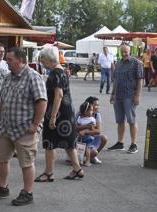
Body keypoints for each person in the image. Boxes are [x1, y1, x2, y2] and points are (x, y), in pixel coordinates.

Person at [0, 48, 47, 206]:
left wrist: (35, 124)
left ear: (21, 60)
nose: (7, 62)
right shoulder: (8, 77)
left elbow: (42, 101)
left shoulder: (33, 77)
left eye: (10, 59)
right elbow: (3, 99)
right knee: (0, 158)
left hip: (24, 128)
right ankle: (3, 187)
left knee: (26, 162)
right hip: (5, 127)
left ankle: (27, 193)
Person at [34, 46, 84, 183]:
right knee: (68, 142)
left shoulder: (54, 73)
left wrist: (53, 116)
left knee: (50, 142)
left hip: (57, 112)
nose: (42, 62)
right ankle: (77, 169)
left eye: (42, 59)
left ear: (48, 59)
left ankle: (49, 173)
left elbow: (58, 95)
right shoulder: (62, 71)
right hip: (67, 111)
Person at [108, 44, 143, 154]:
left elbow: (140, 80)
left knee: (131, 120)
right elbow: (116, 80)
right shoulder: (118, 63)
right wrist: (112, 94)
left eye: (126, 51)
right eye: (122, 51)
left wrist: (137, 95)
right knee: (120, 120)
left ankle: (134, 144)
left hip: (130, 95)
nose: (124, 53)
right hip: (118, 95)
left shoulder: (136, 63)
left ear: (130, 51)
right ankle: (120, 143)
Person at [84, 96, 107, 163]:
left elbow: (98, 131)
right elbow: (75, 129)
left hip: (89, 138)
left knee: (104, 138)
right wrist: (88, 127)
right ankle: (75, 156)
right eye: (95, 105)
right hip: (80, 140)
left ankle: (92, 157)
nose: (97, 107)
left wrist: (86, 132)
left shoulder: (97, 115)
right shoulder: (80, 114)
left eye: (98, 105)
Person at [75, 102, 100, 167]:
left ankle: (79, 161)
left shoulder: (80, 119)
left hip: (80, 137)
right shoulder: (92, 119)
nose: (92, 112)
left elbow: (78, 126)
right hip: (88, 137)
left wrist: (84, 129)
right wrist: (88, 127)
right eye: (91, 110)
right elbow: (93, 128)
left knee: (80, 148)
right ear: (86, 112)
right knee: (87, 148)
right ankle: (87, 161)